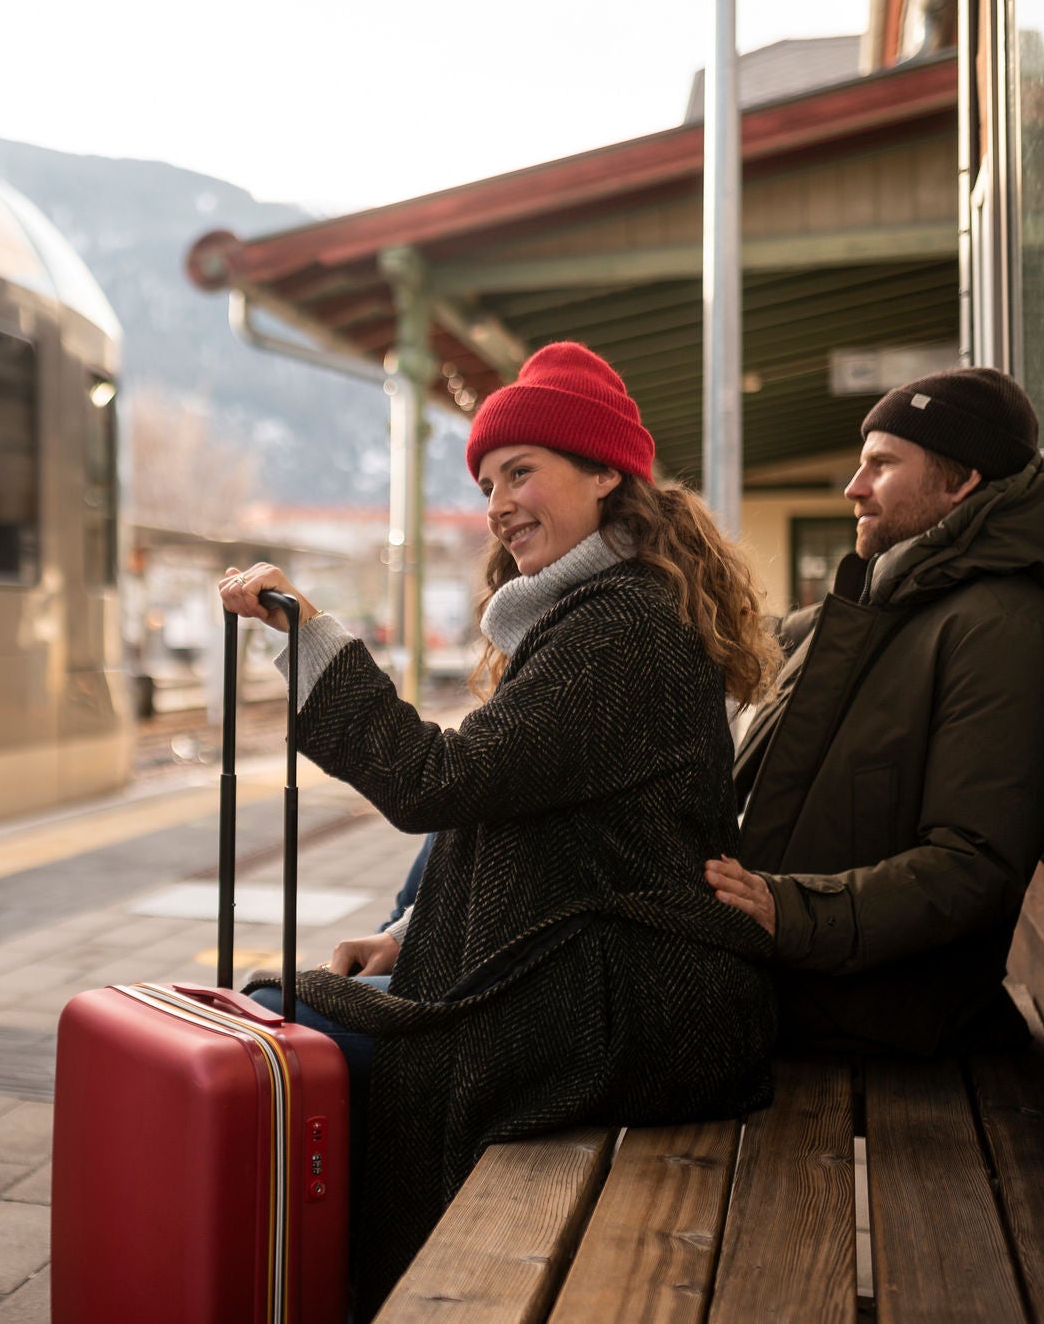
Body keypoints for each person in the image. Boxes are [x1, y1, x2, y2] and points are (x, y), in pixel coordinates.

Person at [220, 341, 779, 1319]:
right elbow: (510, 805)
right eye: (485, 481)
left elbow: (442, 780)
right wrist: (410, 932)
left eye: (520, 470)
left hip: (629, 1007)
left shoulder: (618, 630)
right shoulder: (605, 613)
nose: (496, 503)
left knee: (283, 1030)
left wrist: (313, 636)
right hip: (610, 976)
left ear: (604, 472)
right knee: (303, 1012)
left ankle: (336, 1293)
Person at [703, 368, 1044, 1055]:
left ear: (960, 481)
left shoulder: (1000, 627)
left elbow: (971, 867)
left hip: (866, 1016)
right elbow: (738, 644)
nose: (854, 487)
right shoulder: (881, 607)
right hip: (797, 984)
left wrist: (788, 911)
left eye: (881, 464)